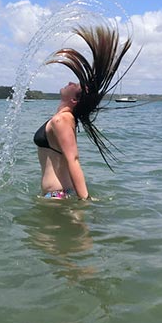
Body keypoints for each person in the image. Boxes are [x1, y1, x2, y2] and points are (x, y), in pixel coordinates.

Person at [34, 24, 135, 200]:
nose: (70, 82)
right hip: (57, 195)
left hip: (57, 196)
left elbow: (73, 160)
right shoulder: (64, 118)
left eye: (74, 86)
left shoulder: (63, 120)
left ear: (74, 100)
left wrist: (84, 201)